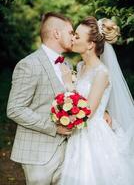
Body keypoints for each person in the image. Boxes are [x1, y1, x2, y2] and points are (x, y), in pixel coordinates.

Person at [60, 16, 134, 185]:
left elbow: (88, 111)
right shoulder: (80, 67)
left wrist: (68, 84)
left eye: (77, 36)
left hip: (93, 137)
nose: (72, 38)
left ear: (90, 44)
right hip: (78, 134)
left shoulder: (102, 72)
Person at [7, 12, 74, 185]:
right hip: (37, 154)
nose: (73, 36)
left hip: (69, 152)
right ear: (57, 34)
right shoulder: (29, 64)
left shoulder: (68, 65)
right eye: (70, 32)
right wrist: (54, 127)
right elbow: (15, 108)